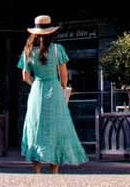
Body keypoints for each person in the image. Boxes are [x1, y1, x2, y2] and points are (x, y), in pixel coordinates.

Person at [18, 15, 88, 174]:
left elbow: (25, 76)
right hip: (54, 90)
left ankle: (36, 170)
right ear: (51, 33)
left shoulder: (28, 51)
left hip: (37, 91)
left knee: (35, 128)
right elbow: (64, 75)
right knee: (56, 128)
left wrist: (35, 83)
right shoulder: (58, 49)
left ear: (35, 33)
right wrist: (63, 87)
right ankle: (54, 171)